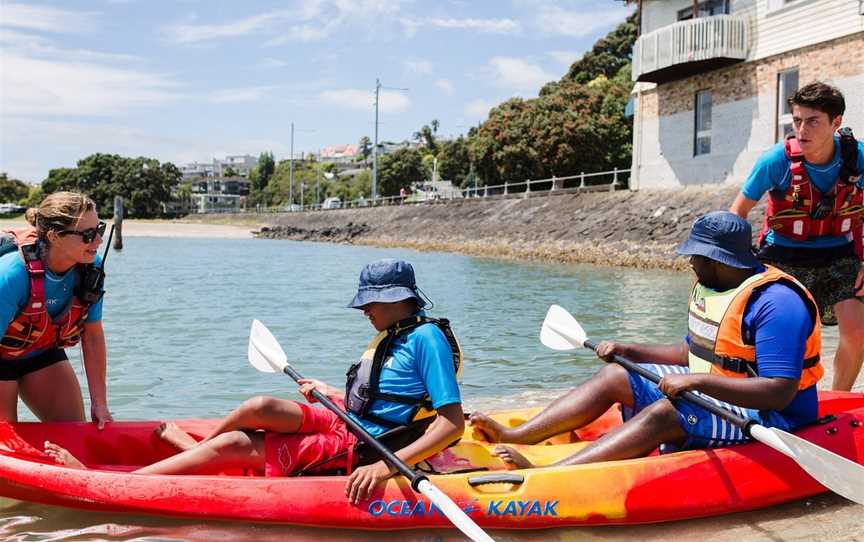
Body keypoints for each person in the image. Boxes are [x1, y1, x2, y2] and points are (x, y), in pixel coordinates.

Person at [45, 258, 464, 504]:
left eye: (369, 303)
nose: (363, 311)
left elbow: (451, 423)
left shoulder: (427, 339)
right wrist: (331, 393)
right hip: (347, 421)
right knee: (260, 405)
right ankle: (199, 452)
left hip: (367, 445)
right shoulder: (394, 333)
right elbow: (385, 395)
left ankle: (119, 484)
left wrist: (386, 468)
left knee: (233, 444)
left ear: (394, 299)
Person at [470, 211, 823, 469]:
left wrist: (696, 382)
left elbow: (780, 392)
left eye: (695, 255)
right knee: (617, 375)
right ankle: (517, 435)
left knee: (668, 412)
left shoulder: (777, 304)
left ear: (717, 259)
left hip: (774, 417)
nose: (690, 263)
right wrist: (629, 350)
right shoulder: (715, 286)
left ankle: (553, 474)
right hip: (720, 395)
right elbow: (691, 352)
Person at [729, 81, 864, 391]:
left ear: (836, 123)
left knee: (857, 334)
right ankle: (763, 395)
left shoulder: (859, 158)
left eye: (813, 121)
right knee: (778, 336)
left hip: (839, 255)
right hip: (781, 256)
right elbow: (736, 213)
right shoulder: (775, 161)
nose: (802, 129)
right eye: (797, 120)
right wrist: (742, 266)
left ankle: (838, 402)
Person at [0, 191, 112, 428]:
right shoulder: (12, 275)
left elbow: (92, 336)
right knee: (6, 441)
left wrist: (100, 403)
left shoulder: (91, 269)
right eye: (88, 235)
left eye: (99, 230)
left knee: (74, 432)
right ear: (54, 236)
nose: (98, 241)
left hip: (39, 353)